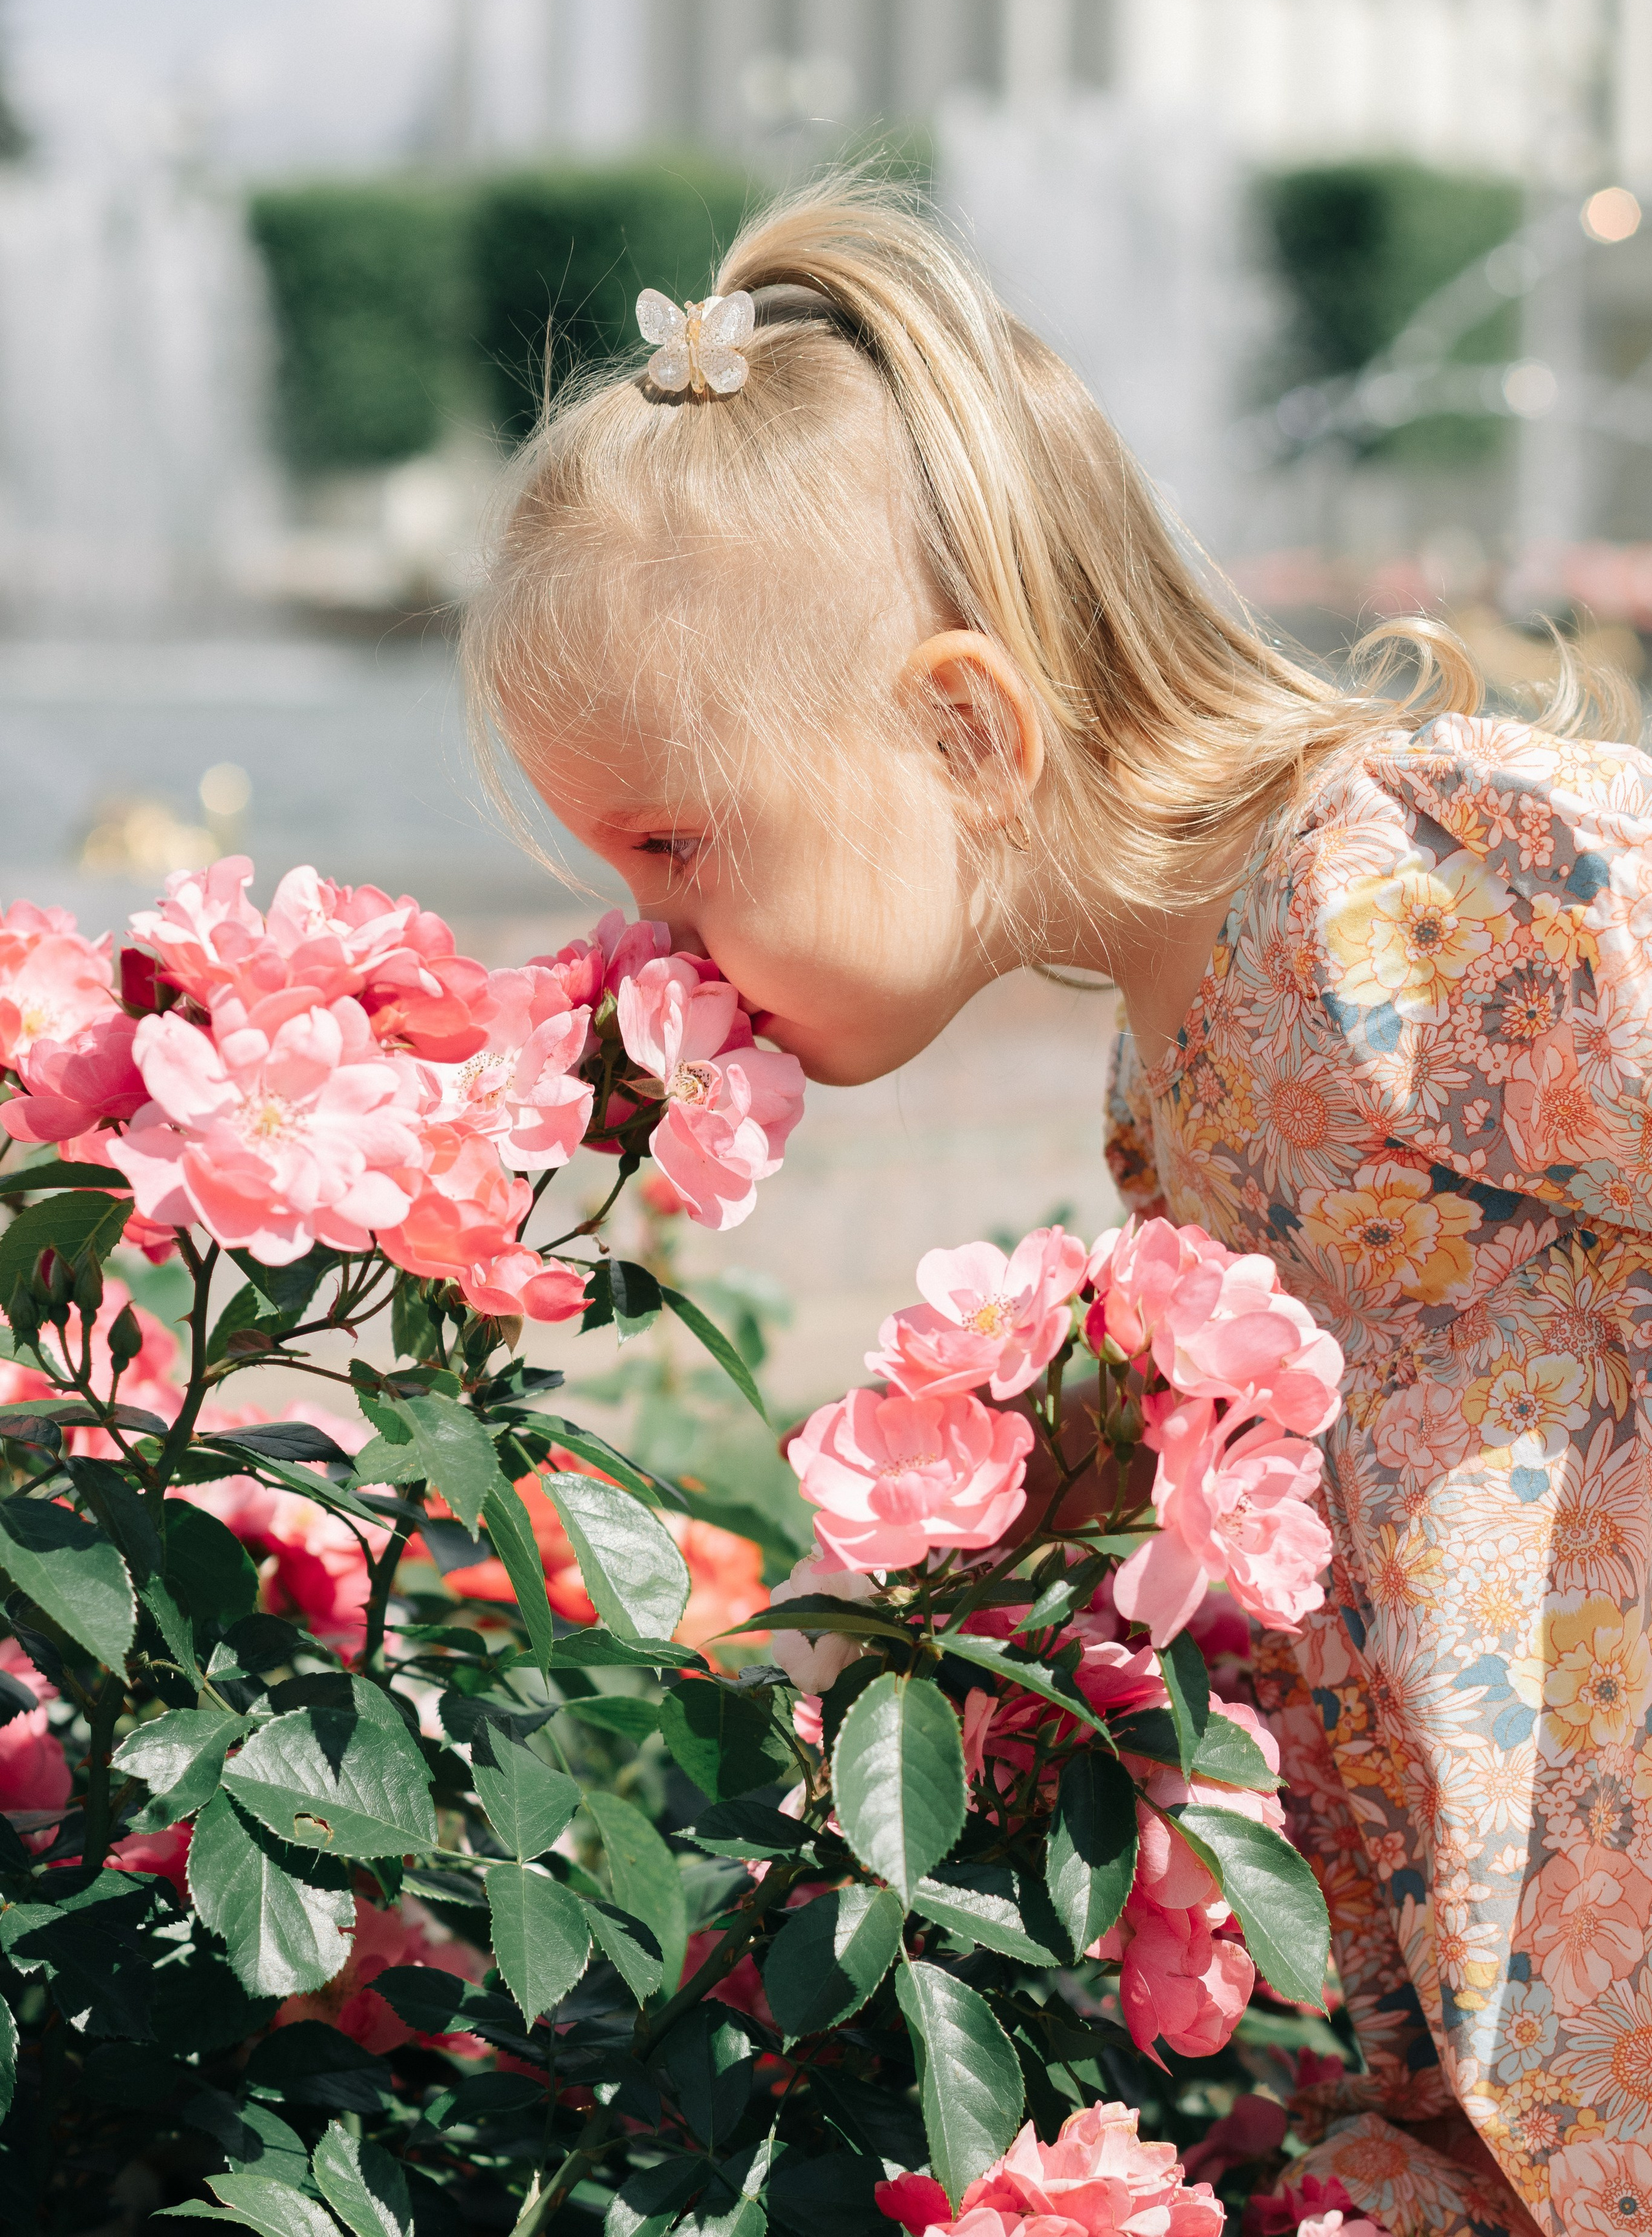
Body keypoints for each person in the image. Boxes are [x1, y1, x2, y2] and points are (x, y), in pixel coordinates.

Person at [463, 176, 1652, 2237]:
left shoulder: (1408, 885)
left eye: (674, 847)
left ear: (965, 727)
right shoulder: (1171, 1072)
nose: (654, 941)